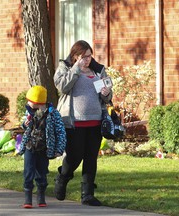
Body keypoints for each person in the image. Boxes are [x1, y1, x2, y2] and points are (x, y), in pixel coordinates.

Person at [53, 40, 113, 206]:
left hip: (95, 122)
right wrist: (76, 69)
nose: (88, 60)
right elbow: (63, 87)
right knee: (74, 156)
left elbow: (108, 96)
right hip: (74, 123)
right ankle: (62, 178)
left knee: (91, 158)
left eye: (89, 56)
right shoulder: (65, 68)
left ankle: (87, 195)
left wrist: (106, 93)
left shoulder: (98, 70)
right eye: (84, 56)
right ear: (75, 56)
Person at [19, 85, 67, 208]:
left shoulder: (53, 114)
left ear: (38, 102)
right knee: (28, 172)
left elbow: (60, 131)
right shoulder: (29, 111)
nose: (28, 103)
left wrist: (59, 149)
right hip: (30, 146)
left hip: (44, 148)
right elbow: (25, 127)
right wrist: (25, 124)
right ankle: (28, 198)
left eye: (30, 101)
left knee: (42, 172)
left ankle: (41, 196)